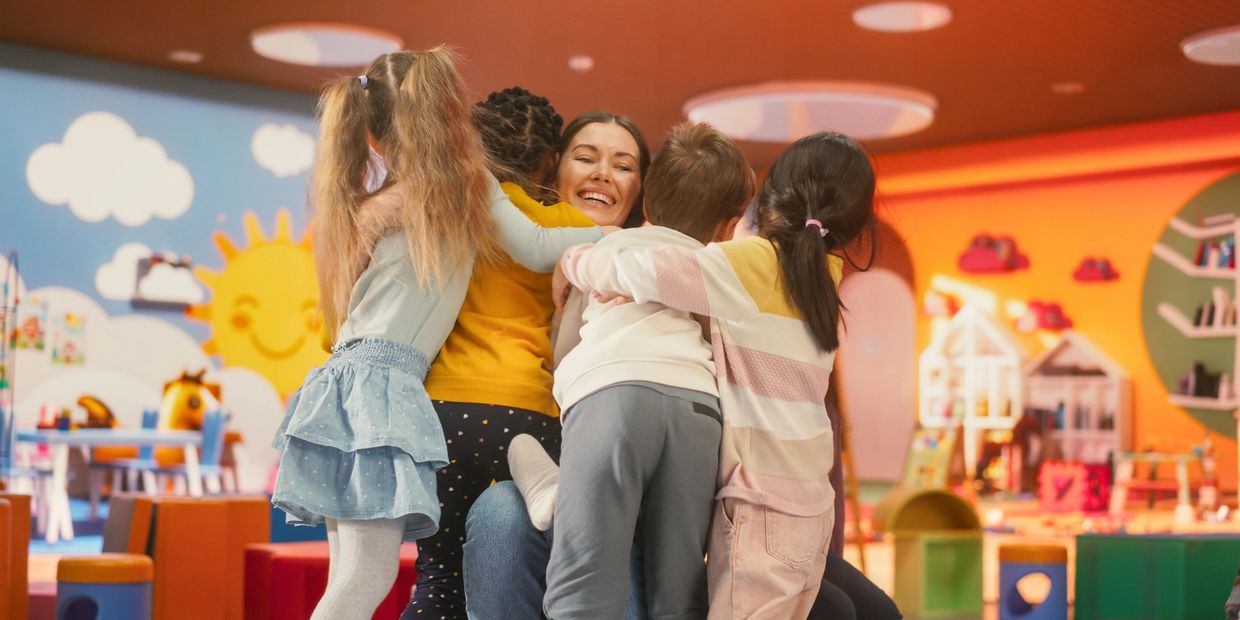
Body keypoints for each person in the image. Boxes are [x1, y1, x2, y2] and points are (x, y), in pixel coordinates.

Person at [269, 50, 604, 620]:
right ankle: (540, 477)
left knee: (356, 577)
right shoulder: (462, 188)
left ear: (373, 139)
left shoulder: (377, 203)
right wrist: (630, 241)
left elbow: (339, 323)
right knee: (365, 576)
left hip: (345, 381)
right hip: (382, 385)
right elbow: (537, 247)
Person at [555, 131, 877, 618]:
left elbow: (650, 270)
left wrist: (576, 258)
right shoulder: (824, 282)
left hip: (758, 502)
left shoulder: (750, 264)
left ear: (767, 202)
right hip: (811, 505)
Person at [403, 101, 652, 618]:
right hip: (524, 425)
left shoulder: (649, 270)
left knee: (448, 567)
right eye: (586, 158)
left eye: (624, 166)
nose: (604, 173)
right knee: (502, 513)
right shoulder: (524, 235)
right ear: (551, 167)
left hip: (469, 422)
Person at [507, 121, 753, 618]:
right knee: (679, 584)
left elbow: (568, 344)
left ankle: (554, 497)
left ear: (648, 197)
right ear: (729, 226)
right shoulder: (719, 270)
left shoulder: (609, 248)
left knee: (584, 577)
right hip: (697, 411)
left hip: (612, 397)